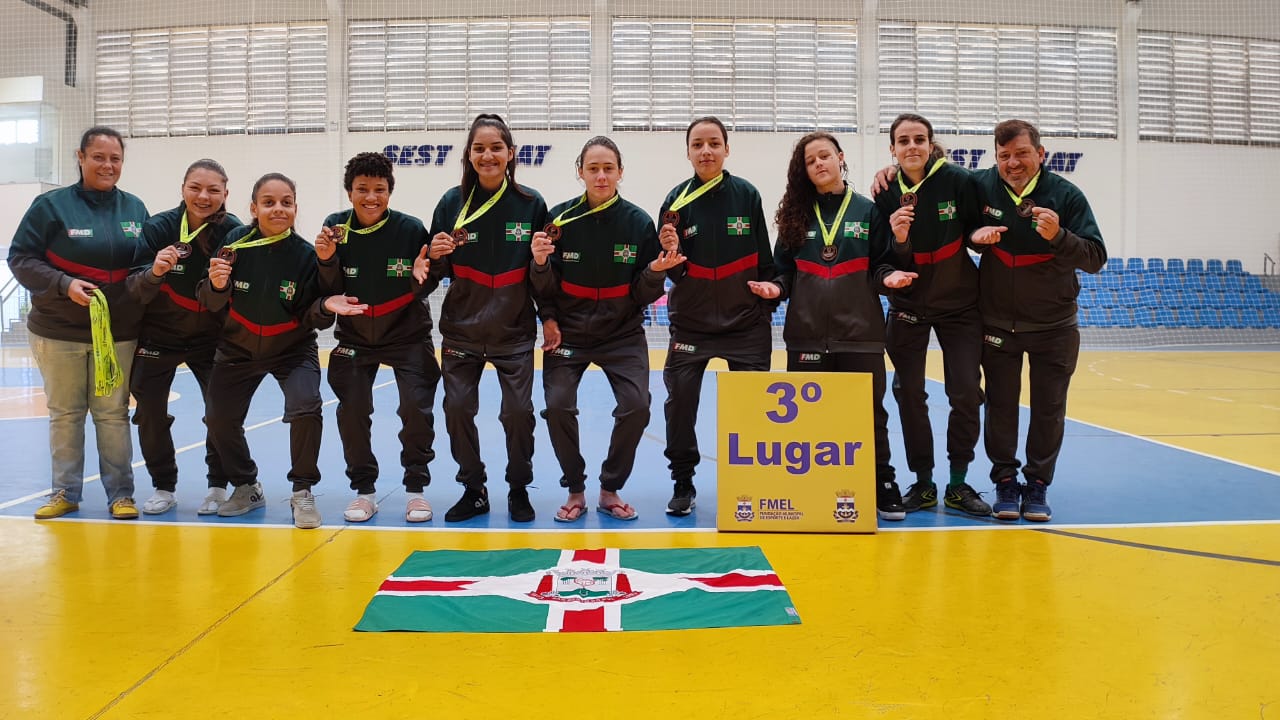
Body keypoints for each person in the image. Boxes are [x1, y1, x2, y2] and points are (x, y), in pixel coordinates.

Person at [749, 131, 915, 520]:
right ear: (804, 171)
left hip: (861, 335)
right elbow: (784, 273)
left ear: (841, 158)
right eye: (810, 161)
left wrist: (889, 278)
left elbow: (882, 265)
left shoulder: (868, 211)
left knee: (870, 414)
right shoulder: (795, 216)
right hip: (805, 336)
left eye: (824, 156)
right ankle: (810, 485)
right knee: (808, 421)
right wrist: (774, 287)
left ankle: (882, 480)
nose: (819, 164)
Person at [529, 136, 684, 522]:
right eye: (593, 168)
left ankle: (610, 488)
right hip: (569, 334)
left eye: (608, 168)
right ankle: (576, 489)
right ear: (580, 171)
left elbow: (642, 292)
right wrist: (542, 270)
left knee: (637, 406)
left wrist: (654, 273)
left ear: (620, 172)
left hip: (622, 333)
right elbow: (542, 287)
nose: (601, 176)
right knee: (558, 405)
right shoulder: (558, 221)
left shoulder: (637, 222)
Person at [199, 173, 363, 529]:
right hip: (237, 349)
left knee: (306, 405)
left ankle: (302, 491)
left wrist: (326, 306)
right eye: (269, 202)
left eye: (286, 202)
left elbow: (312, 319)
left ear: (295, 208)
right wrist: (215, 285)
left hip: (292, 349)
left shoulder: (306, 254)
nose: (278, 209)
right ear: (253, 208)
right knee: (218, 418)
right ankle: (246, 485)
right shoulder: (234, 242)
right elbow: (210, 301)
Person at [9, 126, 152, 520]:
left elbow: (144, 267)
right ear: (81, 157)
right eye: (99, 157)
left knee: (113, 414)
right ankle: (65, 492)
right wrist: (63, 284)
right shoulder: (50, 206)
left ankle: (121, 495)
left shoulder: (135, 209)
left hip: (118, 334)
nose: (108, 165)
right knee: (66, 414)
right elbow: (20, 259)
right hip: (58, 332)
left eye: (115, 159)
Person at [969, 119, 1106, 522]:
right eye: (1004, 155)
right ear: (995, 157)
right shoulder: (980, 186)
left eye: (1022, 153)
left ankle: (1039, 484)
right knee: (1000, 407)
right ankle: (1006, 483)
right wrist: (888, 174)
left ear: (1040, 154)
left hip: (1055, 325)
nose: (1013, 163)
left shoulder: (1066, 195)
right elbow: (935, 183)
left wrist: (1059, 236)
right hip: (996, 323)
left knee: (1049, 409)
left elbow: (1096, 257)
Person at [427, 114, 551, 523]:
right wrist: (433, 256)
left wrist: (547, 316)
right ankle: (474, 488)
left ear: (511, 153)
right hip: (462, 331)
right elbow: (435, 271)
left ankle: (518, 487)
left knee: (517, 413)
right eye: (479, 148)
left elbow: (544, 271)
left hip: (514, 331)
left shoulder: (532, 204)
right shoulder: (450, 203)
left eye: (496, 147)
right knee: (457, 408)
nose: (488, 155)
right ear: (468, 154)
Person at [872, 114, 991, 517]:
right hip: (908, 307)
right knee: (908, 393)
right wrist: (900, 242)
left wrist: (978, 236)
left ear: (930, 143)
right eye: (902, 141)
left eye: (919, 139)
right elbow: (886, 256)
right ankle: (923, 482)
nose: (911, 147)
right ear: (892, 149)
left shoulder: (958, 180)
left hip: (960, 305)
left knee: (964, 392)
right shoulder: (885, 192)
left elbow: (977, 231)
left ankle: (958, 483)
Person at [657, 116, 775, 515]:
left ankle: (753, 479)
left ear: (726, 148)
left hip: (746, 325)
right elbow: (669, 270)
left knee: (755, 408)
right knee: (681, 404)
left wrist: (767, 298)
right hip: (692, 325)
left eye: (713, 143)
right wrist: (669, 257)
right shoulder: (674, 202)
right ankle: (683, 481)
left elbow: (765, 257)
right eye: (697, 144)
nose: (705, 151)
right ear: (688, 151)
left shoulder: (747, 195)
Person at [315, 152, 441, 523]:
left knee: (416, 410)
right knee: (352, 411)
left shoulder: (410, 228)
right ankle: (364, 491)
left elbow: (427, 279)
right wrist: (324, 260)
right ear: (349, 191)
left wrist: (425, 274)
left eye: (380, 189)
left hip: (407, 334)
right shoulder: (335, 228)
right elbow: (328, 288)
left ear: (391, 191)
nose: (371, 197)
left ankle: (416, 490)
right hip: (355, 337)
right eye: (362, 189)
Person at [131, 159, 241, 515]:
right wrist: (154, 272)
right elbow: (134, 284)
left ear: (226, 194)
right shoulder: (160, 227)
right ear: (183, 189)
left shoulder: (233, 233)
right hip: (159, 335)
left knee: (220, 411)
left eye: (213, 190)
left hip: (211, 337)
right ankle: (163, 485)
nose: (204, 196)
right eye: (195, 187)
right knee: (149, 412)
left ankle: (217, 485)